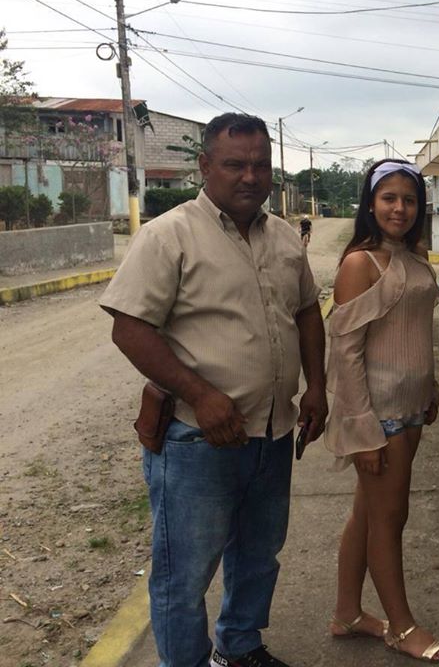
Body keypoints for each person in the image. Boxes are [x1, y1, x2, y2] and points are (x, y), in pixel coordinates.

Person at [100, 113, 327, 667]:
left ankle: (239, 647)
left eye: (260, 165)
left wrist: (317, 386)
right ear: (204, 166)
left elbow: (306, 311)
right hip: (197, 440)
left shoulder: (284, 237)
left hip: (272, 434)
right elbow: (129, 327)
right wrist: (200, 395)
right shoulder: (169, 235)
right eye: (234, 164)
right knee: (184, 574)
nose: (250, 176)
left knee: (258, 555)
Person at [324, 159, 439, 663]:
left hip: (411, 407)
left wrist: (430, 388)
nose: (400, 208)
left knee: (367, 512)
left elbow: (413, 332)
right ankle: (402, 627)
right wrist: (362, 431)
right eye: (389, 198)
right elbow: (346, 353)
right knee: (389, 518)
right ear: (371, 203)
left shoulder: (414, 257)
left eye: (410, 199)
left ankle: (347, 613)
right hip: (379, 415)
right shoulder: (361, 263)